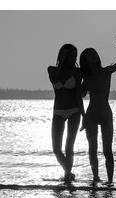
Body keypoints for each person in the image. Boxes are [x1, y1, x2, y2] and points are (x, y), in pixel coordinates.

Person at [80, 36, 116, 183]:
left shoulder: (106, 71)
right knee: (92, 149)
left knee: (107, 150)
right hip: (91, 115)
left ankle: (110, 181)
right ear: (85, 61)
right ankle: (95, 178)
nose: (92, 56)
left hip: (106, 113)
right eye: (89, 55)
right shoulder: (86, 79)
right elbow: (80, 95)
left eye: (93, 53)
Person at [48, 43, 86, 182]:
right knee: (56, 149)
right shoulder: (52, 69)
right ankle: (69, 173)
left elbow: (78, 95)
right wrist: (62, 62)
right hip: (57, 112)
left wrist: (84, 115)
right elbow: (54, 79)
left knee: (69, 148)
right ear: (62, 55)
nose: (72, 58)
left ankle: (67, 177)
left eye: (74, 55)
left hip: (74, 111)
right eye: (69, 55)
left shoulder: (77, 72)